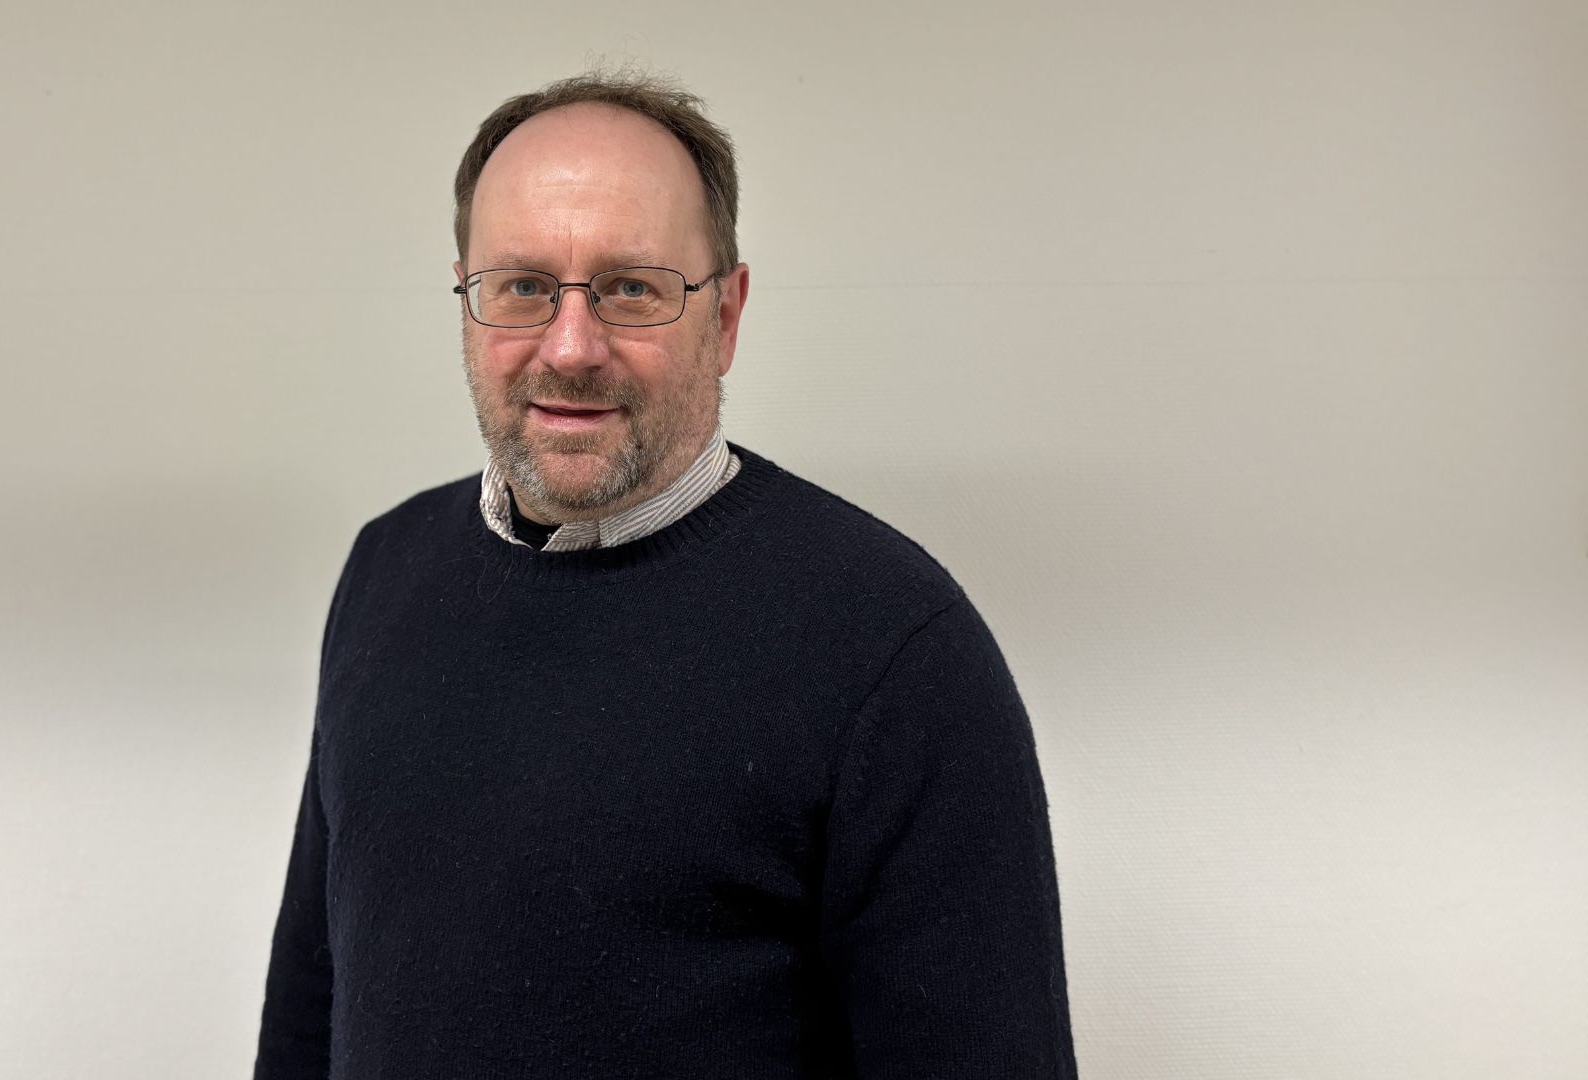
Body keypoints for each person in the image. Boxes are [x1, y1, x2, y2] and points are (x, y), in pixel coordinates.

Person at [254, 72, 1078, 1079]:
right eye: (522, 286)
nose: (570, 347)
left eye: (632, 288)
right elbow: (309, 1007)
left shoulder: (893, 650)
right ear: (467, 300)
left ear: (724, 317)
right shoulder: (385, 570)